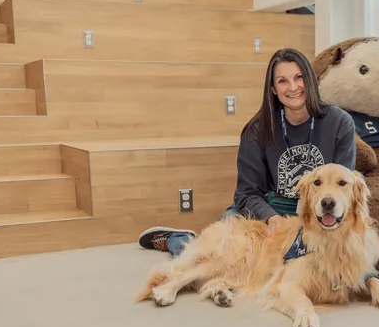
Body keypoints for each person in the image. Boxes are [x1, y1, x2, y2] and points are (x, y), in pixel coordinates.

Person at [138, 48, 356, 256]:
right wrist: (270, 217)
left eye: (299, 78)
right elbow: (246, 193)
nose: (293, 87)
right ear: (272, 89)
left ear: (310, 79)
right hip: (268, 211)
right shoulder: (256, 130)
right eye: (282, 81)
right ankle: (179, 240)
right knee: (210, 254)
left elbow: (344, 183)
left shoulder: (339, 123)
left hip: (316, 213)